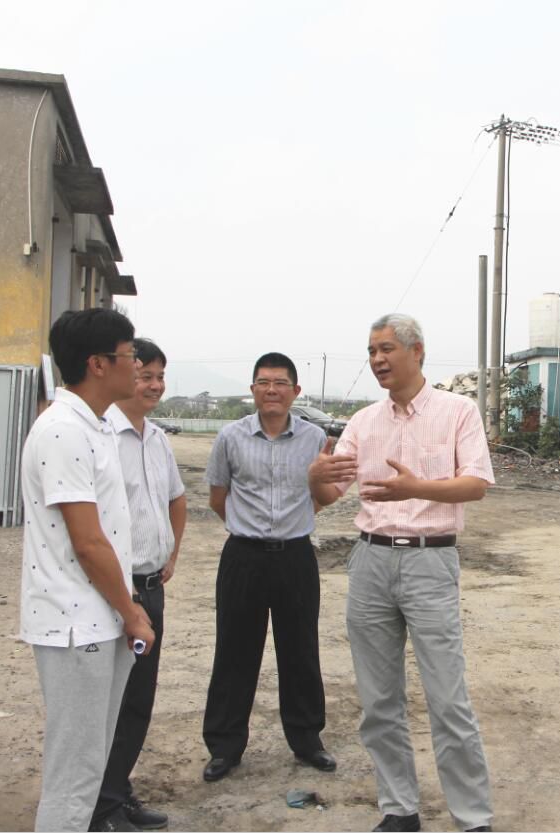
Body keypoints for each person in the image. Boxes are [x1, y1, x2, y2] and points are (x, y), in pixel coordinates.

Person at [309, 313, 495, 833]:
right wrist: (315, 478)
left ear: (417, 351)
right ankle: (398, 808)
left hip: (430, 561)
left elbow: (476, 484)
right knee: (378, 699)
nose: (377, 360)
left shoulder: (458, 411)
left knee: (447, 698)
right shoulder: (364, 422)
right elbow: (329, 496)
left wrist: (417, 488)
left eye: (387, 349)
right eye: (372, 351)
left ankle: (472, 817)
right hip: (370, 561)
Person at [20, 309, 156, 832]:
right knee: (74, 774)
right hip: (74, 624)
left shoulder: (93, 425)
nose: (137, 366)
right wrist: (133, 611)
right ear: (98, 364)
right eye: (130, 356)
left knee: (90, 763)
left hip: (99, 619)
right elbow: (89, 541)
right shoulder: (62, 430)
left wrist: (123, 611)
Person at [200, 352, 335, 782]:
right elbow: (218, 498)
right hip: (243, 558)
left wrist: (292, 524)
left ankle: (307, 740)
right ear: (253, 389)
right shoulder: (231, 437)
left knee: (300, 650)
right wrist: (249, 531)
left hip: (296, 557)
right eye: (263, 382)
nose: (271, 390)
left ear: (296, 391)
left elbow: (319, 496)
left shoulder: (314, 438)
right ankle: (224, 747)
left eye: (280, 383)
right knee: (234, 652)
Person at [90, 339, 186, 832]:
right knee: (109, 703)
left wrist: (171, 553)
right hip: (116, 592)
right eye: (146, 375)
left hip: (151, 589)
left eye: (160, 376)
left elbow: (176, 499)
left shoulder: (157, 439)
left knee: (138, 701)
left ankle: (116, 791)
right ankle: (98, 808)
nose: (155, 385)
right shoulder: (101, 436)